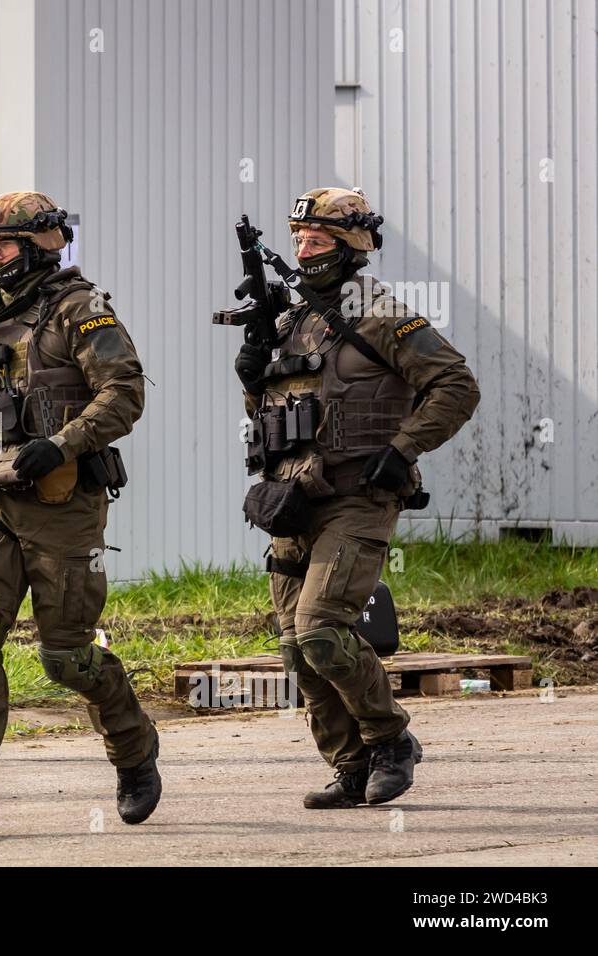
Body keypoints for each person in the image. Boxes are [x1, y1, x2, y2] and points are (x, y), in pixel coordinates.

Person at [0, 191, 161, 829]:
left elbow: (124, 394)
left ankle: (133, 746)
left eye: (7, 243)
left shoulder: (80, 308)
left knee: (65, 656)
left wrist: (62, 443)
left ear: (45, 241)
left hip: (63, 502)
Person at [234, 188, 480, 808]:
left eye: (316, 238)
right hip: (291, 500)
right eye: (297, 238)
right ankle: (350, 764)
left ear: (348, 244)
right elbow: (273, 415)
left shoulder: (381, 314)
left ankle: (392, 738)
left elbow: (455, 384)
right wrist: (251, 371)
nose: (302, 248)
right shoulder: (292, 321)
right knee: (295, 647)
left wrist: (403, 448)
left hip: (358, 496)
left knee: (320, 630)